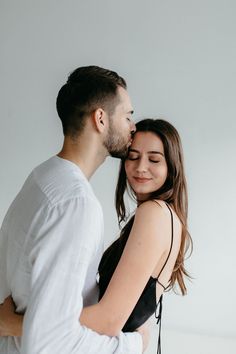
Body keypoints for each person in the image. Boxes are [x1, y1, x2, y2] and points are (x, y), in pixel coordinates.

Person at [0, 118, 192, 353]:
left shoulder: (153, 213)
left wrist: (16, 324)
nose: (141, 167)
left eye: (154, 159)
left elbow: (108, 320)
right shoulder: (167, 216)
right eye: (133, 157)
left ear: (172, 166)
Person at [0, 66, 149, 354]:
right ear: (101, 119)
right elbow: (50, 342)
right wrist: (133, 345)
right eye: (127, 116)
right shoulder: (76, 204)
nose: (133, 126)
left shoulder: (42, 177)